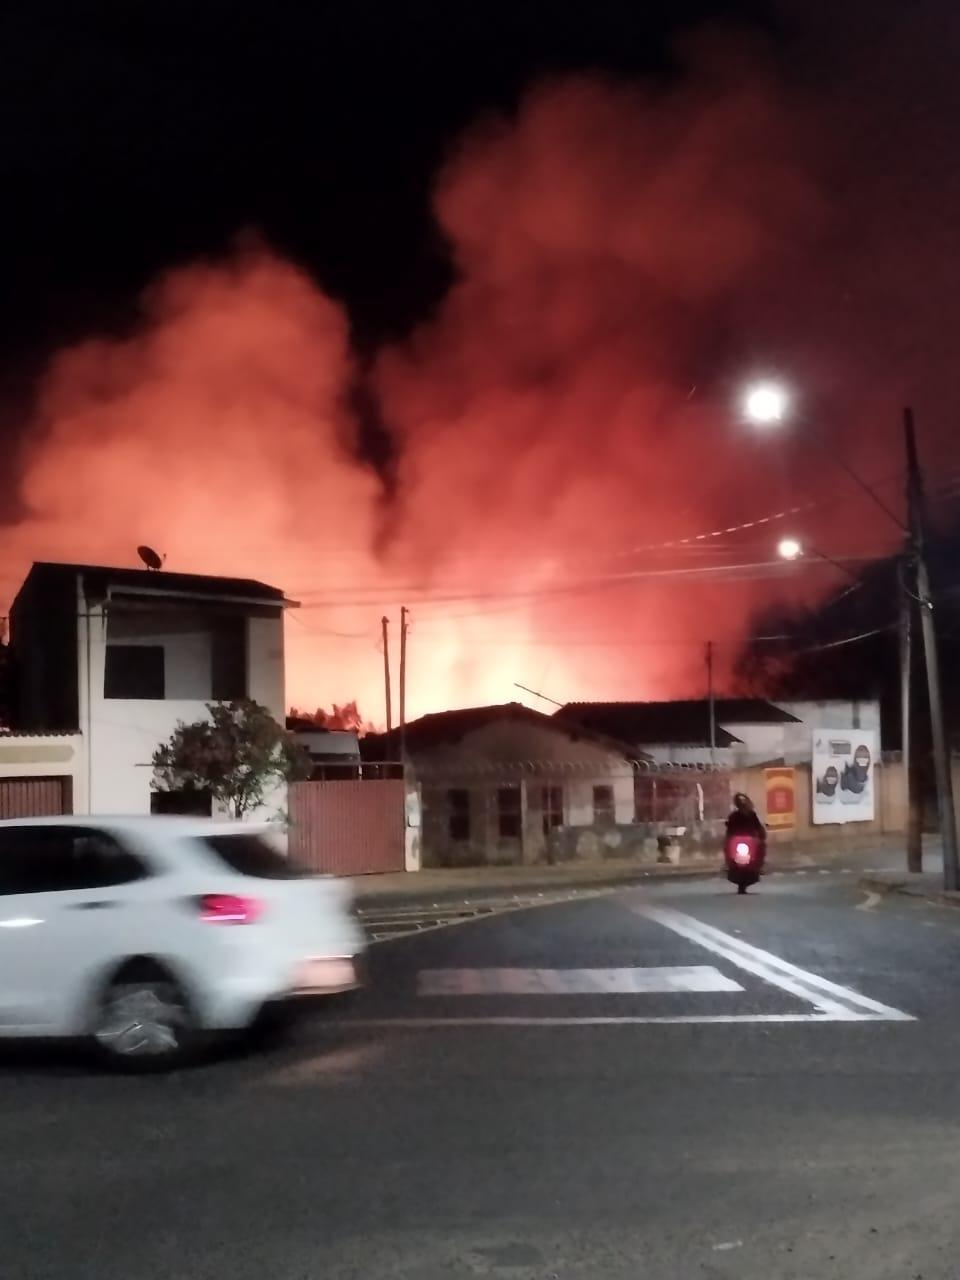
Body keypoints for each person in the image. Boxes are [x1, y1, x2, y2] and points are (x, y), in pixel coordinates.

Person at [725, 793, 767, 869]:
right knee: (726, 846)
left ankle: (759, 864)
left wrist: (761, 835)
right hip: (741, 841)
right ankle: (729, 863)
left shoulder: (749, 815)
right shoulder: (736, 816)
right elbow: (729, 830)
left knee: (761, 846)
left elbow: (759, 828)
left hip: (749, 841)